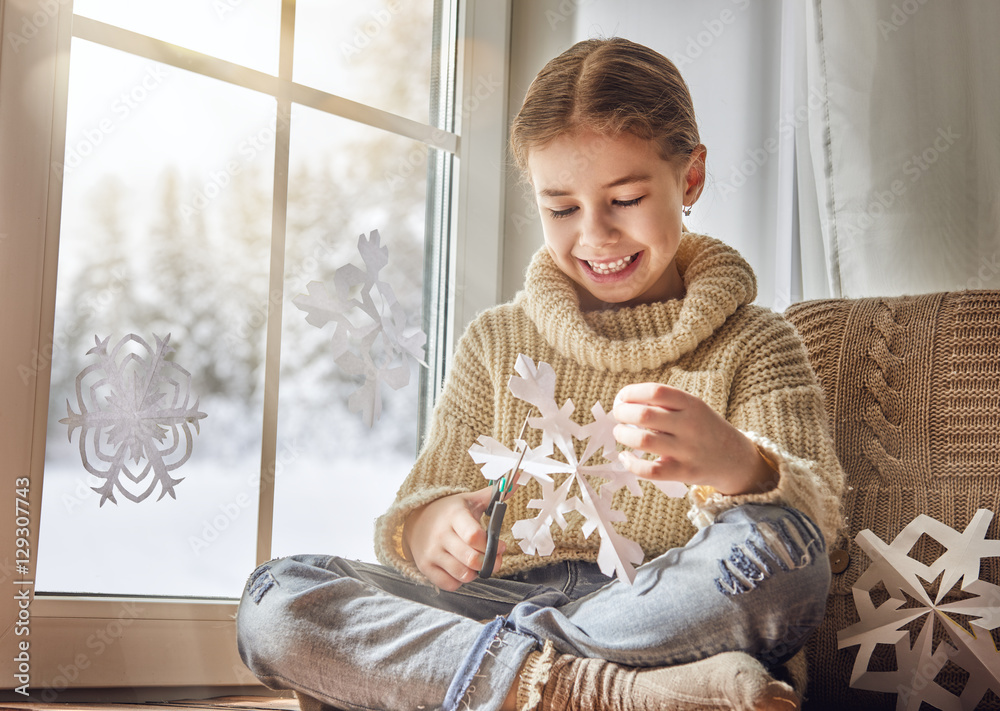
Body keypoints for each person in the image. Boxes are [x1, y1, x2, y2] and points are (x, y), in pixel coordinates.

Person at [237, 37, 845, 711]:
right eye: (561, 208)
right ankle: (602, 692)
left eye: (626, 198)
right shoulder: (495, 341)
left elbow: (810, 528)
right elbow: (420, 506)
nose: (596, 235)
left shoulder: (756, 341)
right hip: (496, 597)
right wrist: (428, 525)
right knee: (278, 597)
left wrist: (741, 464)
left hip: (660, 610)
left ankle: (483, 677)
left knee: (785, 558)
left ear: (691, 177)